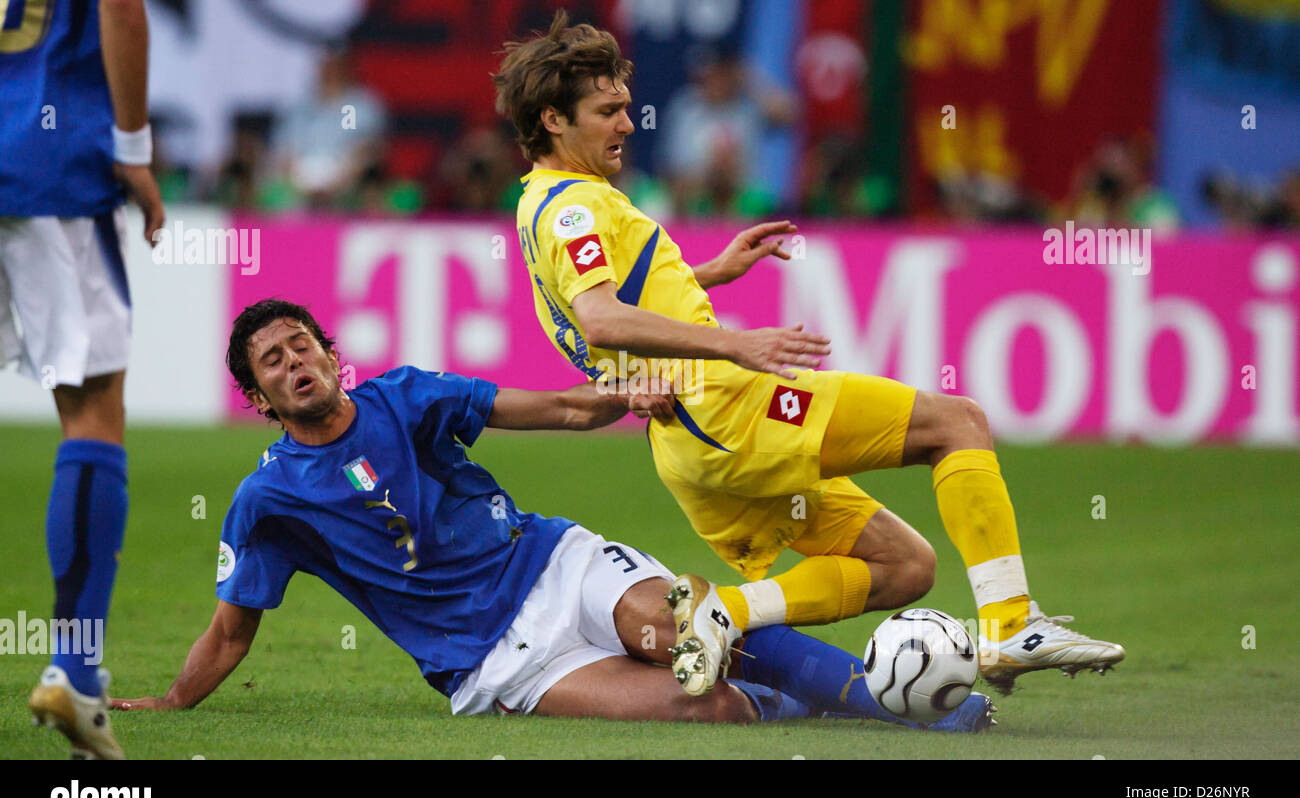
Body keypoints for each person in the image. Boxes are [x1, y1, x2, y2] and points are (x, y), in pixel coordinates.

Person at [493, 12, 1125, 697]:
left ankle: (724, 610)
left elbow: (583, 312)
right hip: (731, 410)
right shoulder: (575, 209)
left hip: (693, 444)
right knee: (958, 422)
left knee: (904, 566)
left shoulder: (543, 203)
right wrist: (735, 342)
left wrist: (700, 273)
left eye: (624, 106)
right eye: (608, 110)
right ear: (554, 120)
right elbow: (599, 316)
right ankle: (1009, 625)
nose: (626, 123)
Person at [109, 299, 995, 732]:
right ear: (259, 396)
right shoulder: (268, 500)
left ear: (328, 352)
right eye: (272, 360)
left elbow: (554, 409)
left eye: (301, 343)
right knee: (708, 708)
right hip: (491, 663)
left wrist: (617, 395)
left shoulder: (408, 398)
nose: (294, 361)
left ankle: (893, 701)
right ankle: (811, 698)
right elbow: (231, 632)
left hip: (555, 565)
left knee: (680, 631)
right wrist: (171, 700)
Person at [1, 0, 165, 759]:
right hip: (47, 162)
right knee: (94, 412)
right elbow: (121, 11)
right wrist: (131, 147)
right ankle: (73, 673)